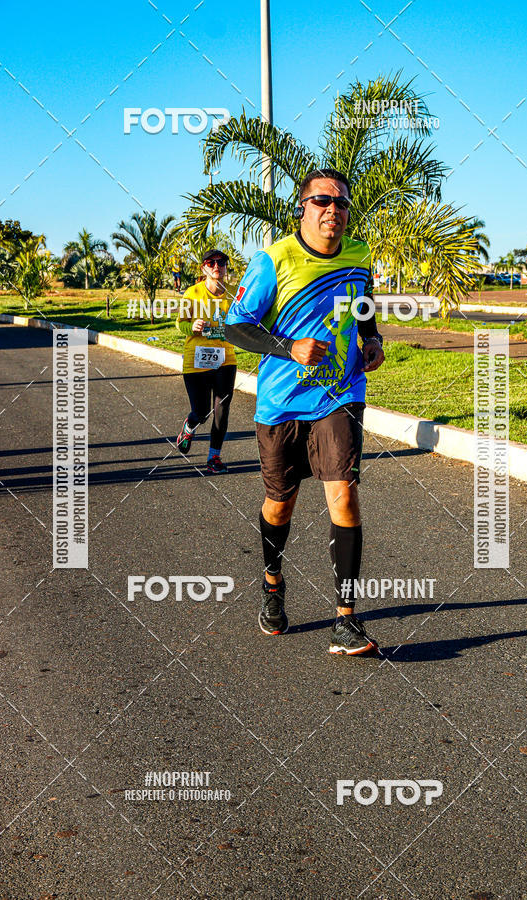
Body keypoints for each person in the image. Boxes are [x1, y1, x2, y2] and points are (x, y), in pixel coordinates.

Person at [225, 167, 385, 655]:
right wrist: (288, 346)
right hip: (281, 403)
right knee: (281, 503)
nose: (332, 210)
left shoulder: (359, 256)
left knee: (345, 496)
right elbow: (235, 328)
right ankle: (273, 583)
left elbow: (364, 303)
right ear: (303, 207)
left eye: (340, 203)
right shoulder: (273, 260)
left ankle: (346, 620)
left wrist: (372, 338)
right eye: (321, 201)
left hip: (339, 393)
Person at [175, 249, 237, 474]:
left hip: (225, 360)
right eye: (210, 263)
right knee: (201, 412)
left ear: (226, 267)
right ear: (203, 268)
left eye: (221, 263)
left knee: (222, 410)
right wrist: (190, 326)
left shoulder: (233, 294)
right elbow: (180, 323)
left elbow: (243, 321)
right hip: (196, 361)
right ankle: (189, 427)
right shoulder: (193, 293)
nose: (216, 266)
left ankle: (214, 457)